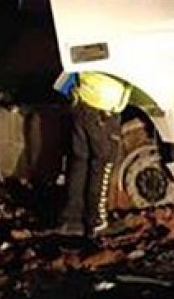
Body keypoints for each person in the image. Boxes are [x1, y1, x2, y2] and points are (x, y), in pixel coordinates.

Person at [55, 69, 131, 238]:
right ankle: (97, 221)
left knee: (79, 163)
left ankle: (71, 221)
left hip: (82, 101)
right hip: (103, 107)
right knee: (102, 163)